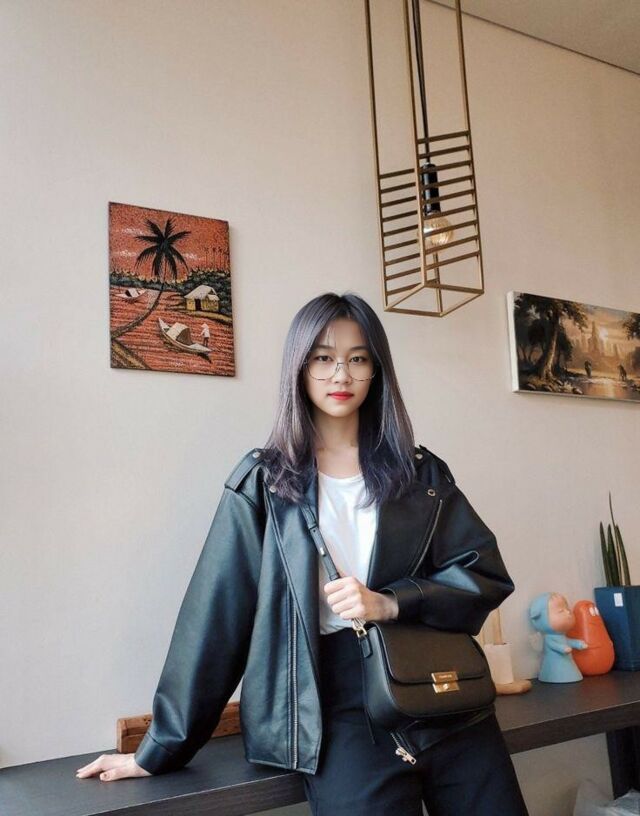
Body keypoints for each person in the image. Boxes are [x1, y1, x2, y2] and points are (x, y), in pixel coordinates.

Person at [75, 291, 528, 815]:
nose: (341, 374)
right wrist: (159, 749)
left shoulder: (419, 472)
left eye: (358, 358)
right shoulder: (265, 482)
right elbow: (216, 619)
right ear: (299, 366)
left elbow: (484, 574)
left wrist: (391, 602)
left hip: (445, 694)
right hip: (336, 711)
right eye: (323, 358)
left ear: (377, 371)